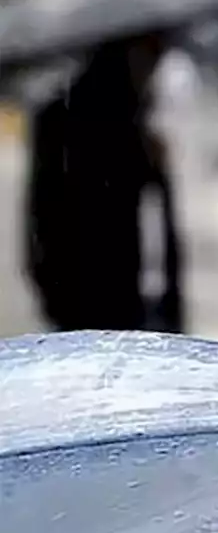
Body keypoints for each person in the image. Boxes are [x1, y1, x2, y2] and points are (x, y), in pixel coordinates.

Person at [23, 32, 186, 333]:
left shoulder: (134, 117)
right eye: (151, 55)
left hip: (105, 296)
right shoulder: (82, 121)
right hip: (96, 295)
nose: (154, 68)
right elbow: (44, 215)